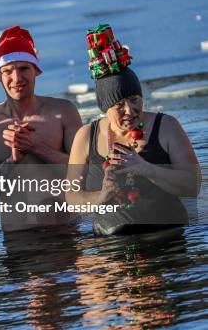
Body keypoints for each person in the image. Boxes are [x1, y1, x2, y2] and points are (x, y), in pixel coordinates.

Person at [65, 23, 200, 235]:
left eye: (135, 100)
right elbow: (72, 200)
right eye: (119, 105)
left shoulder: (166, 127)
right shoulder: (86, 136)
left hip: (166, 239)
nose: (130, 110)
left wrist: (146, 168)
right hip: (111, 249)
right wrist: (101, 196)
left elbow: (192, 185)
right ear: (105, 108)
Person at [0, 26, 82, 231]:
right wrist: (12, 161)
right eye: (7, 71)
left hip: (65, 236)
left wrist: (36, 147)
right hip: (17, 244)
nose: (17, 78)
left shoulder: (63, 112)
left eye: (23, 68)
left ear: (36, 70)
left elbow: (86, 175)